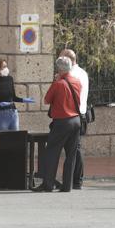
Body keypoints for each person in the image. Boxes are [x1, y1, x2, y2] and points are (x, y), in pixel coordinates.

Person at [32, 57, 81, 193]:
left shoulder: (58, 84)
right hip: (76, 120)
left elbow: (47, 99)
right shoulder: (77, 82)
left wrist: (55, 80)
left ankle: (47, 184)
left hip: (62, 121)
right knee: (71, 154)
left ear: (59, 69)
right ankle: (67, 186)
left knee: (52, 152)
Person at [60, 49, 88, 190]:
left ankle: (76, 179)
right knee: (75, 148)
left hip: (72, 115)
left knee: (74, 149)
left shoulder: (71, 75)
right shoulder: (82, 72)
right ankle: (76, 179)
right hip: (80, 114)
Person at [0, 58, 34, 131]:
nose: (6, 69)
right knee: (4, 138)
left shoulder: (9, 79)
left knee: (15, 137)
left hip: (13, 112)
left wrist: (23, 100)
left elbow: (13, 97)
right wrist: (1, 104)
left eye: (6, 66)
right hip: (1, 114)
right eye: (4, 67)